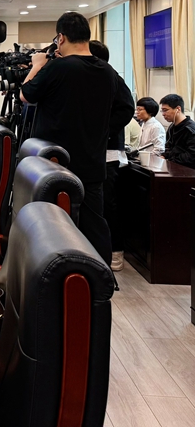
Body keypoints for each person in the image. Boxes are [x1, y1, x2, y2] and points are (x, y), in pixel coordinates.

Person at [20, 12, 134, 264]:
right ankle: (100, 274)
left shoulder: (58, 67)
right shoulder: (107, 71)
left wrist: (37, 64)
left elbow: (26, 95)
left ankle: (59, 272)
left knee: (53, 223)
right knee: (94, 223)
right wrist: (103, 130)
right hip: (92, 162)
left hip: (55, 164)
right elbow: (127, 106)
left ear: (61, 38)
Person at [89, 39, 128, 272]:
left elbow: (126, 109)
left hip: (108, 153)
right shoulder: (89, 77)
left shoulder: (112, 77)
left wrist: (103, 130)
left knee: (108, 205)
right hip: (89, 152)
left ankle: (116, 250)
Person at [160, 93, 195, 168]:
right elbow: (168, 147)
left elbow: (192, 156)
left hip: (188, 170)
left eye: (165, 110)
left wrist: (171, 159)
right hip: (173, 167)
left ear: (178, 109)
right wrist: (164, 155)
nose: (163, 114)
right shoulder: (171, 127)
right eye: (162, 111)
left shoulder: (190, 129)